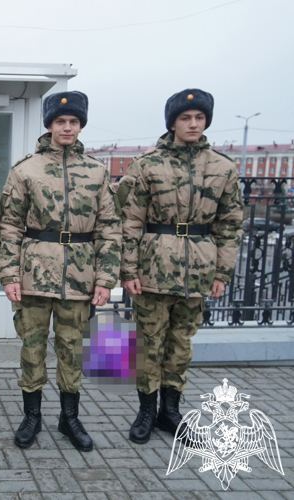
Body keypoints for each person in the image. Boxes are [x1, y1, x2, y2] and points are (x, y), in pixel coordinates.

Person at [118, 89, 243, 444]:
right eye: (185, 118)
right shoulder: (148, 165)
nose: (192, 123)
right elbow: (129, 222)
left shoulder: (223, 167)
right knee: (148, 343)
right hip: (154, 267)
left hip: (198, 269)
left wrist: (222, 272)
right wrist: (128, 271)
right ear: (172, 122)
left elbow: (231, 224)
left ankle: (169, 412)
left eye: (199, 118)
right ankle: (145, 411)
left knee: (181, 343)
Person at [0, 91, 122, 451]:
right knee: (32, 347)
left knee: (72, 349)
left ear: (80, 125)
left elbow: (109, 229)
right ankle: (31, 417)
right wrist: (8, 275)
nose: (66, 127)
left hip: (80, 275)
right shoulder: (26, 169)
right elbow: (9, 226)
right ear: (49, 125)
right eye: (60, 121)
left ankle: (69, 419)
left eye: (73, 122)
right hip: (34, 273)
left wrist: (105, 280)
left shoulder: (96, 172)